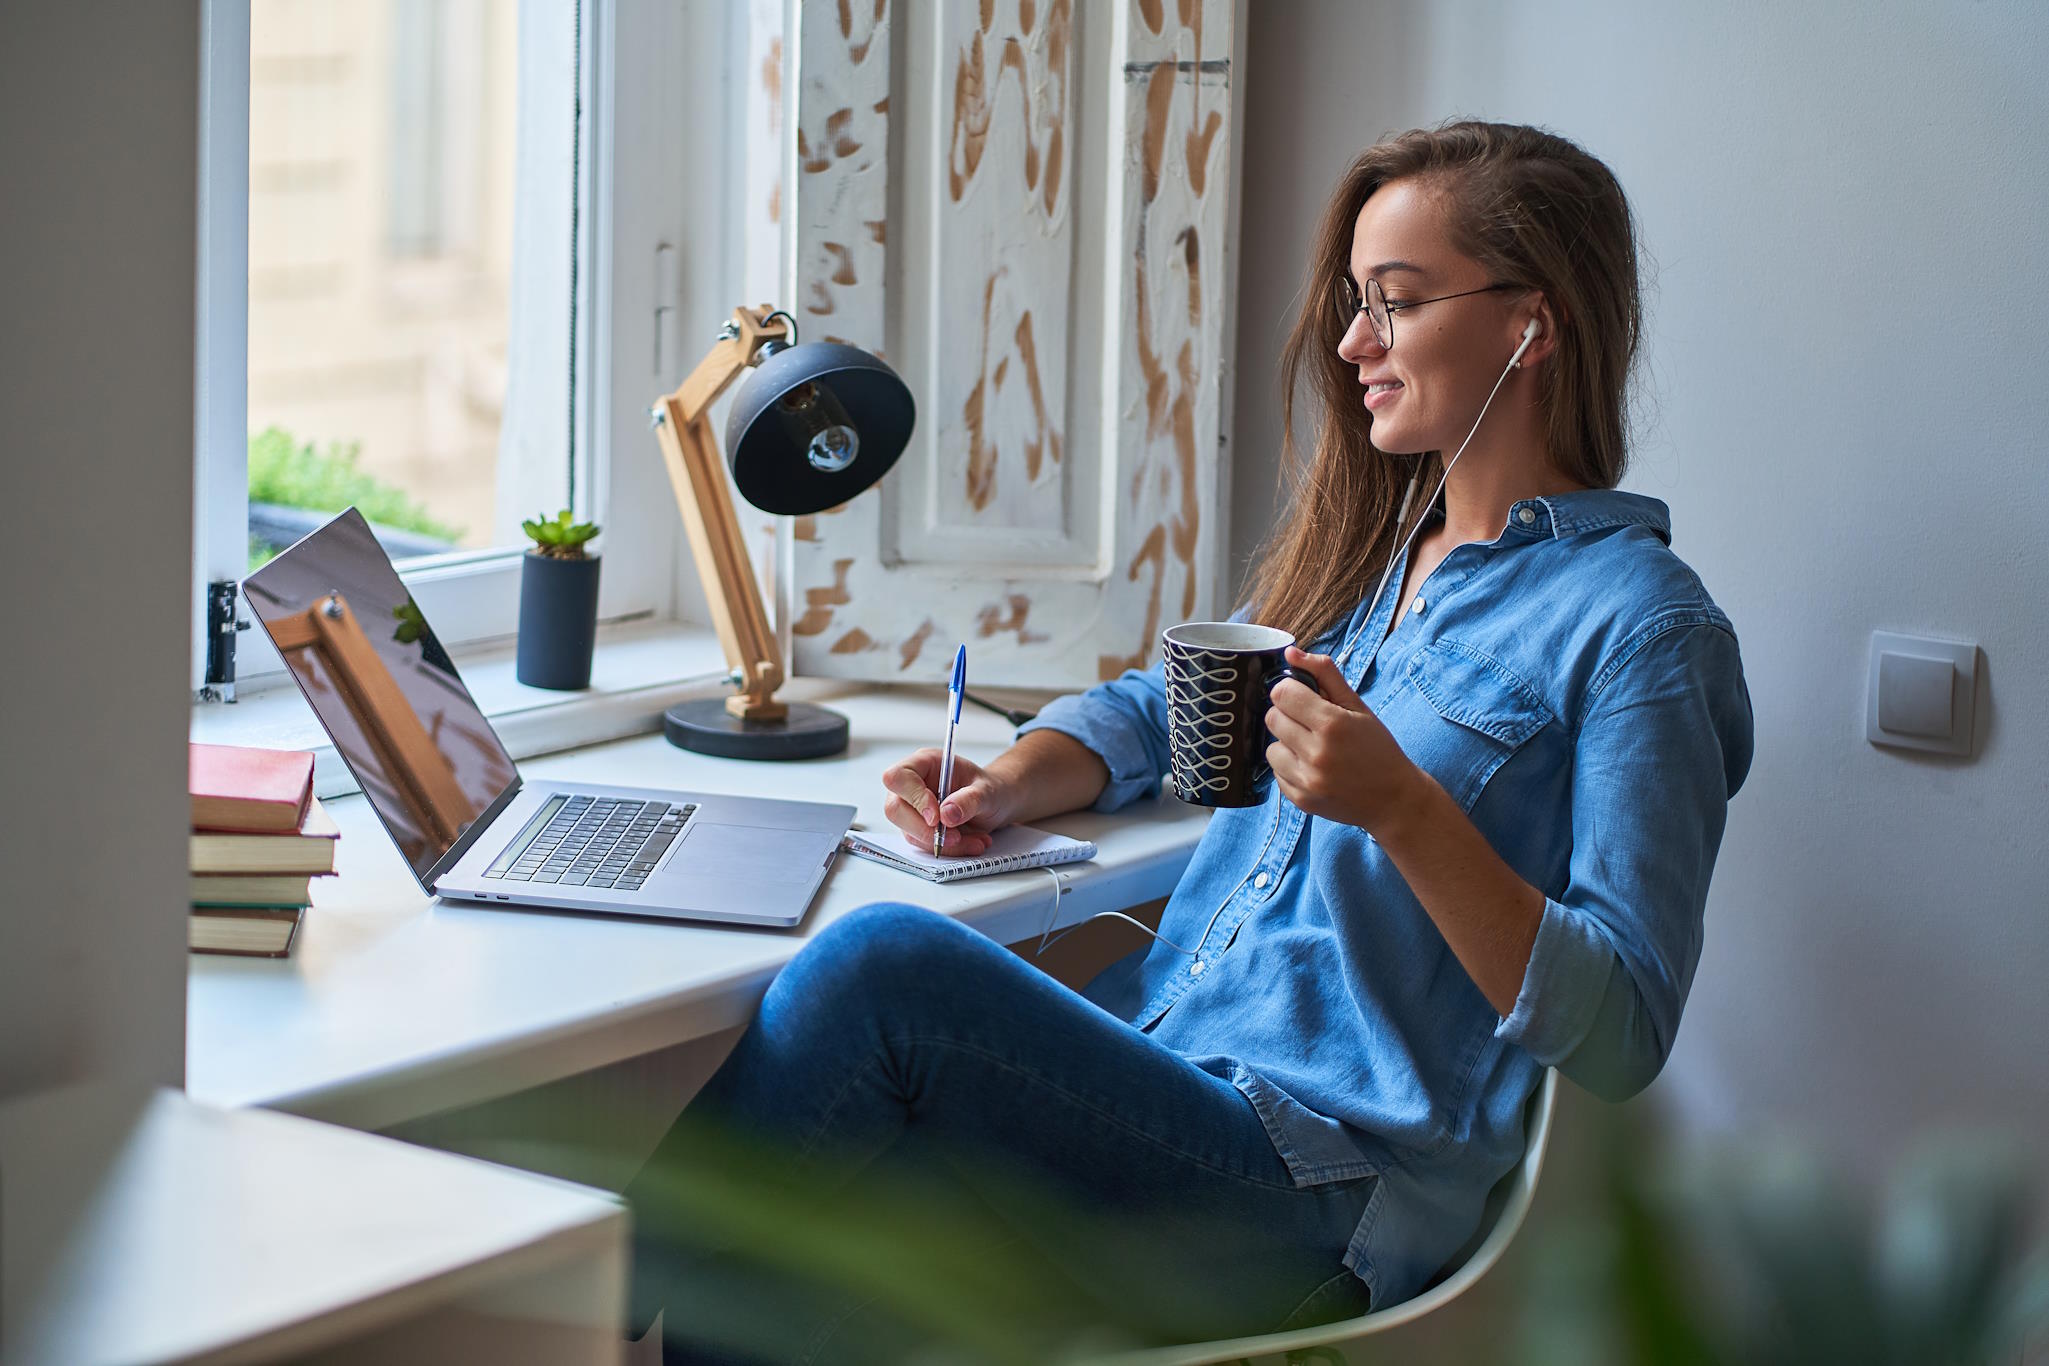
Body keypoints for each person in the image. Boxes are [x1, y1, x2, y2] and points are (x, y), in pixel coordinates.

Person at [624, 119, 1754, 1363]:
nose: (1353, 343)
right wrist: (1009, 776)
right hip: (1169, 1074)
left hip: (1316, 1193)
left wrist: (1402, 809)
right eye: (1353, 304)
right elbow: (1161, 707)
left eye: (1397, 303)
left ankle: (562, 1302)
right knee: (804, 1268)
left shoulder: (1646, 629)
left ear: (1530, 325)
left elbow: (1623, 1033)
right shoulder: (1378, 562)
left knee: (882, 970)